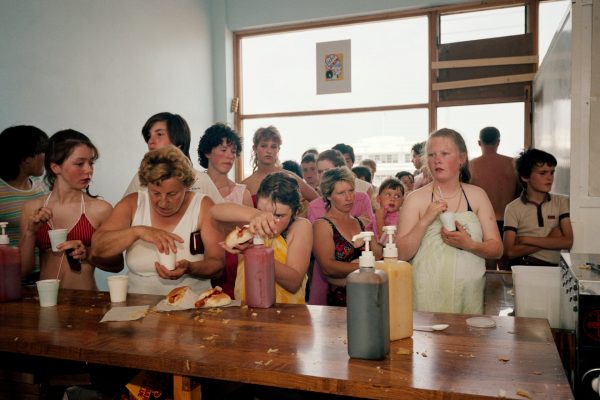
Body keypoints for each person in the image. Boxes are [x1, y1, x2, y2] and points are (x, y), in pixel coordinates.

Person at [91, 146, 224, 295]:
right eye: (155, 193)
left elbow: (217, 264)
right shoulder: (132, 204)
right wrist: (139, 231)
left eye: (172, 194)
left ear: (186, 186)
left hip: (193, 304)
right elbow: (98, 246)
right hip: (137, 306)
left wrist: (190, 268)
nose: (163, 203)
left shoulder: (203, 206)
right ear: (146, 185)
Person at [396, 128, 502, 314]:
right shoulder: (415, 199)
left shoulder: (477, 196)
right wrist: (425, 221)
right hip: (425, 299)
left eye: (445, 154)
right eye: (431, 155)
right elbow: (401, 254)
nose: (437, 160)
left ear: (461, 158)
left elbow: (497, 249)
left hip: (469, 296)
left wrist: (469, 244)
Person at [20, 130, 123, 290]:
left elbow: (117, 264)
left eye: (91, 163)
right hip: (46, 301)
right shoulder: (32, 208)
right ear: (55, 167)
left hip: (86, 301)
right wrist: (30, 232)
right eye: (80, 163)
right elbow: (22, 271)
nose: (89, 170)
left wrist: (88, 253)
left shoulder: (100, 209)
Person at [211, 172, 312, 303]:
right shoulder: (252, 225)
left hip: (287, 314)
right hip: (246, 309)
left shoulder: (300, 227)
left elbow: (293, 283)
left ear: (294, 211)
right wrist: (254, 215)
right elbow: (214, 211)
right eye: (262, 212)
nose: (269, 221)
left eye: (279, 216)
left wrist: (255, 252)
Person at [307, 150, 375, 305]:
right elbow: (327, 267)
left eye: (351, 190)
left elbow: (377, 254)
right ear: (329, 196)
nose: (349, 197)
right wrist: (365, 266)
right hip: (339, 301)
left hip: (367, 296)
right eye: (341, 193)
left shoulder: (360, 223)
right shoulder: (322, 225)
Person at [123, 112, 222, 203]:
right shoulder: (140, 178)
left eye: (159, 134)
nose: (150, 141)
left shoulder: (202, 180)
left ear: (178, 141)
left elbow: (222, 218)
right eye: (149, 136)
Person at [502, 148, 573, 267]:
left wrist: (525, 239)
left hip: (554, 269)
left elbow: (567, 242)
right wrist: (550, 238)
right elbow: (509, 252)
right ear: (525, 177)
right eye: (542, 173)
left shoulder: (562, 202)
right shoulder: (512, 208)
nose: (550, 178)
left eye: (552, 172)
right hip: (524, 265)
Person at [0, 125, 49, 283]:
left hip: (42, 273)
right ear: (27, 159)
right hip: (9, 275)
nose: (46, 158)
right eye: (43, 152)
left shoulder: (41, 186)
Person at [469, 127, 520, 269]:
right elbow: (519, 195)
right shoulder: (513, 164)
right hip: (510, 222)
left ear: (479, 143)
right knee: (508, 270)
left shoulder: (471, 166)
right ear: (498, 142)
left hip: (483, 223)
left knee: (488, 270)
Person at [242, 126, 318, 207]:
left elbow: (319, 202)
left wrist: (301, 217)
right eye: (264, 146)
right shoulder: (245, 185)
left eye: (273, 147)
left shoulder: (290, 177)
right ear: (255, 148)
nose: (269, 151)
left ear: (278, 149)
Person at [197, 123, 253, 207]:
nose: (230, 156)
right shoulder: (193, 188)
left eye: (233, 152)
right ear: (207, 152)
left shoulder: (243, 195)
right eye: (223, 150)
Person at [372, 178, 404, 242]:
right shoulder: (376, 214)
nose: (392, 199)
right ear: (378, 198)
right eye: (388, 195)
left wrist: (380, 219)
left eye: (397, 196)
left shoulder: (400, 219)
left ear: (402, 202)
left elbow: (388, 242)